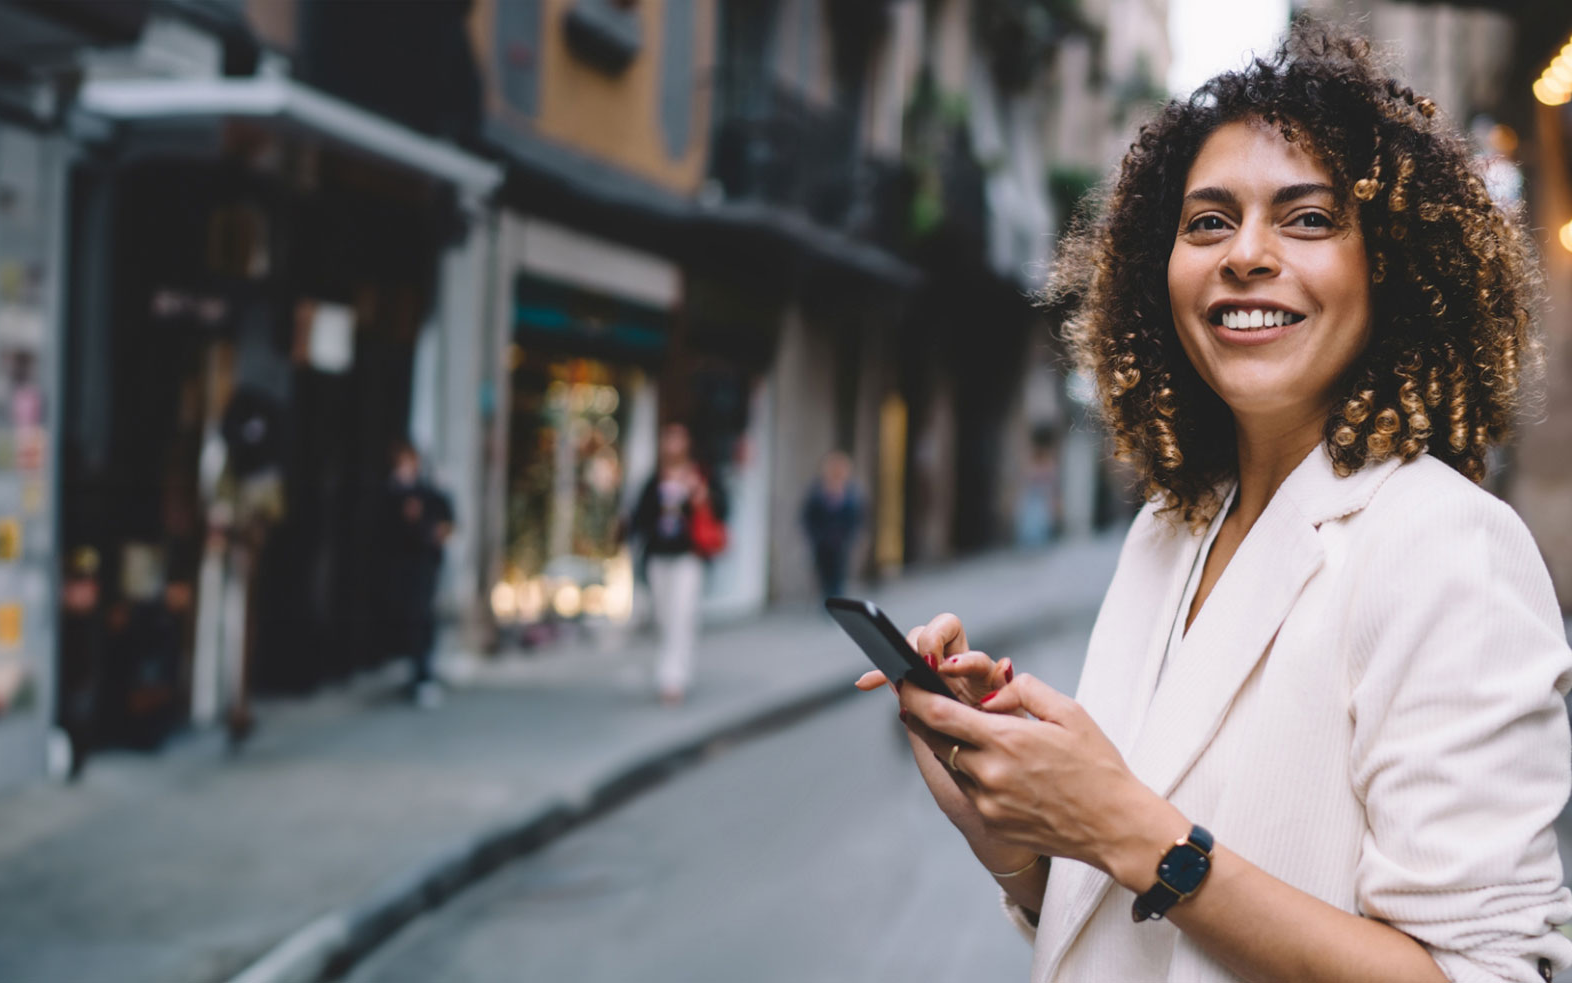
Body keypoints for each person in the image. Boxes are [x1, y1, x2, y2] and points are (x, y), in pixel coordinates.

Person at [857, 21, 1572, 982]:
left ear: (1391, 267)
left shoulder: (1449, 546)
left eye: (1307, 218)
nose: (1245, 254)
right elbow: (1130, 931)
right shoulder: (1169, 528)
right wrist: (1022, 841)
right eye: (1207, 220)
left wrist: (1125, 826)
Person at [629, 423, 727, 705]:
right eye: (667, 438)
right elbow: (641, 517)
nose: (671, 444)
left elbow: (722, 510)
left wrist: (700, 493)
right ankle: (669, 670)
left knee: (681, 615)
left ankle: (673, 677)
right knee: (663, 617)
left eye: (677, 439)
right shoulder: (655, 479)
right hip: (659, 556)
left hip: (688, 556)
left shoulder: (700, 475)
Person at [381, 441, 454, 707]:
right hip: (399, 565)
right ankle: (414, 672)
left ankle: (423, 675)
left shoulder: (428, 492)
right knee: (407, 616)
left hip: (424, 564)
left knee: (422, 616)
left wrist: (435, 531)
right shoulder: (390, 493)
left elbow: (447, 522)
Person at [801, 450, 864, 599]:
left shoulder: (851, 493)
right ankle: (827, 601)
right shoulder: (818, 492)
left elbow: (857, 518)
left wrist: (849, 536)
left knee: (838, 576)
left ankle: (836, 601)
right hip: (823, 543)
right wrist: (816, 536)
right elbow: (808, 517)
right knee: (824, 575)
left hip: (841, 544)